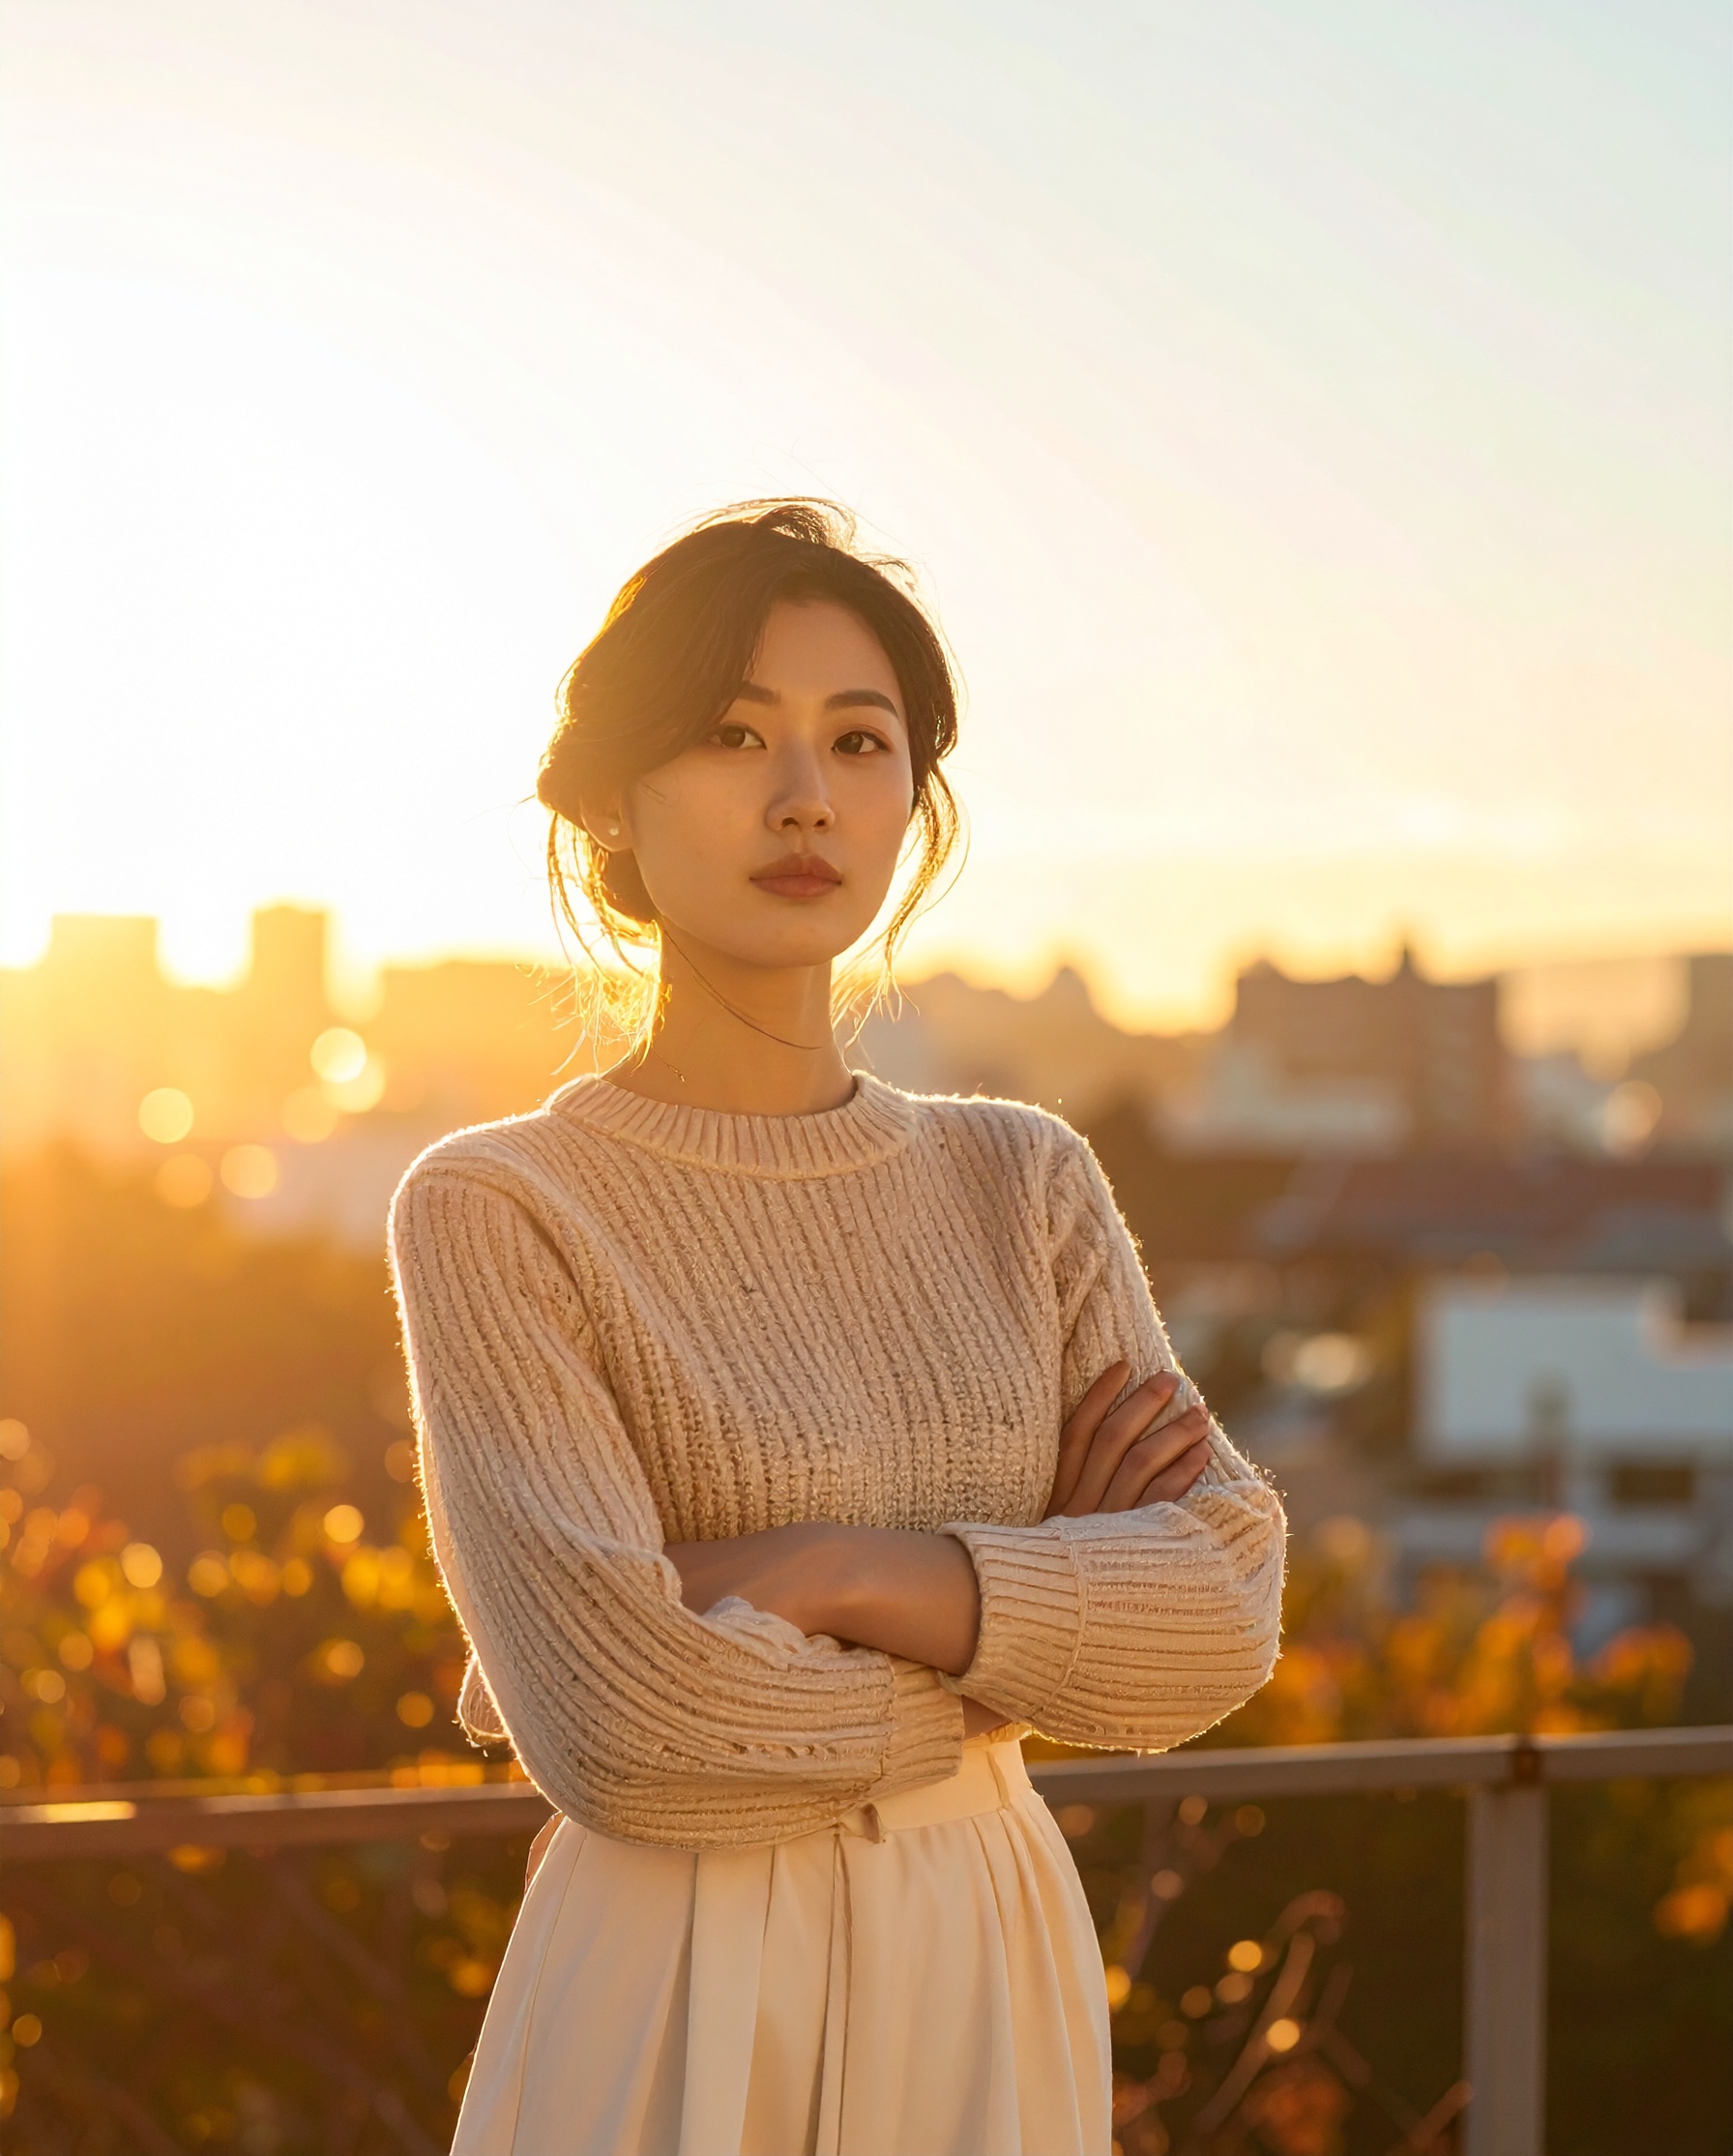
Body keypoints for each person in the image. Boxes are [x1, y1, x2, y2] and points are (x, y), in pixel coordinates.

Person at [388, 500, 1286, 2156]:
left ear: (910, 801)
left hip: (986, 1953)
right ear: (611, 799)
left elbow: (1223, 1608)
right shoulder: (502, 1207)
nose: (804, 795)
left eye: (858, 741)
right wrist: (1016, 1641)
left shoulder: (1022, 1179)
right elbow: (628, 1735)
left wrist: (817, 1575)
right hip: (677, 1964)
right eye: (734, 734)